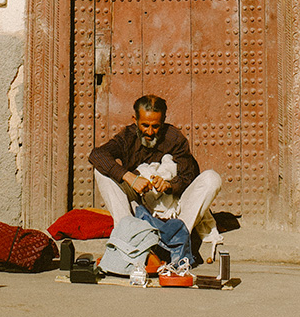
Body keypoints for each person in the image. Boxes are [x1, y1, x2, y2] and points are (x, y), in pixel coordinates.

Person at [89, 94, 222, 247]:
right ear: (135, 120)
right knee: (101, 171)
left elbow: (189, 176)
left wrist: (169, 185)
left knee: (212, 178)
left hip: (174, 209)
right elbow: (97, 154)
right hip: (139, 205)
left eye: (156, 126)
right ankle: (127, 233)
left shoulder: (175, 139)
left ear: (163, 121)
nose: (150, 132)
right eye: (145, 125)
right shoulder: (127, 137)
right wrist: (131, 178)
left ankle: (177, 235)